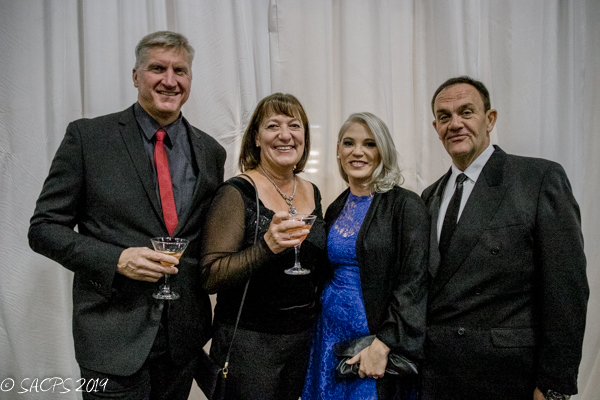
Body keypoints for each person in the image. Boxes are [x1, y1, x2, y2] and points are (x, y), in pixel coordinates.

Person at [28, 31, 226, 399]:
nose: (170, 80)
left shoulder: (211, 151)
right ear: (136, 76)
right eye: (157, 69)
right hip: (110, 340)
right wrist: (117, 260)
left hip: (182, 342)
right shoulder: (88, 138)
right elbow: (44, 229)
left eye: (180, 70)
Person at [421, 76, 589, 400]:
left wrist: (553, 386)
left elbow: (566, 291)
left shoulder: (538, 180)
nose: (455, 124)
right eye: (444, 116)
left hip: (508, 379)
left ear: (490, 119)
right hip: (436, 377)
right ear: (436, 127)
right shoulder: (429, 196)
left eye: (466, 112)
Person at [200, 92, 327, 400]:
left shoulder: (312, 191)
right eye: (273, 126)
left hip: (301, 341)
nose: (285, 135)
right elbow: (210, 276)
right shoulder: (236, 192)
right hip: (249, 346)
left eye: (294, 125)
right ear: (256, 138)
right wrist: (266, 247)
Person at [302, 112, 429, 400]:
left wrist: (383, 344)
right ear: (338, 150)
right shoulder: (336, 207)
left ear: (382, 151)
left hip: (374, 343)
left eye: (369, 144)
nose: (357, 152)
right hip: (329, 337)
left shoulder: (406, 206)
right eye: (349, 143)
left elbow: (414, 283)